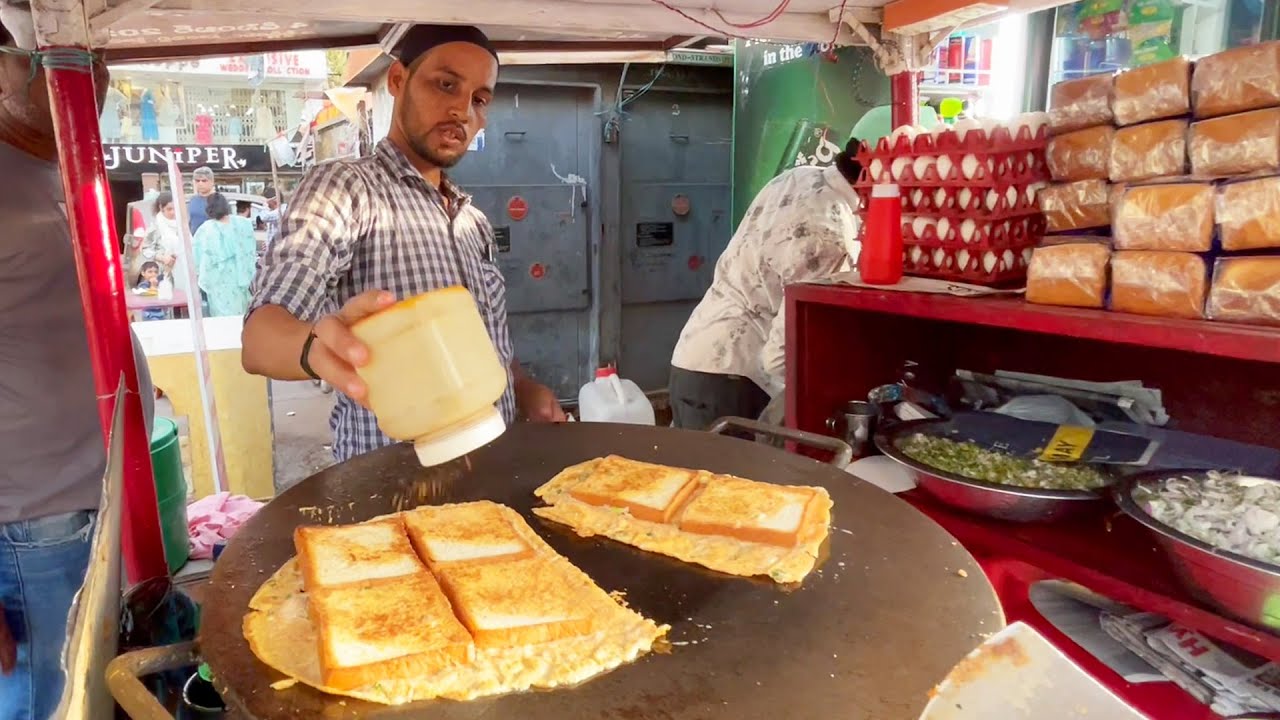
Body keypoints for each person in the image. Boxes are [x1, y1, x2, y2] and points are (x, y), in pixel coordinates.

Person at [241, 24, 564, 463]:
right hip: (395, 481)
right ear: (397, 80)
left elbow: (487, 343)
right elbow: (259, 341)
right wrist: (313, 348)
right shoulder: (344, 189)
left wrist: (522, 388)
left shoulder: (473, 220)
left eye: (480, 99)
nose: (462, 111)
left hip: (495, 461)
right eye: (446, 84)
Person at [0, 8, 154, 719]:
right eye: (66, 61)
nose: (96, 80)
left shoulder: (62, 168)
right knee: (50, 702)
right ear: (8, 69)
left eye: (99, 63)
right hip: (33, 521)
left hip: (98, 493)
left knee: (92, 694)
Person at [668, 143, 863, 431]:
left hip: (692, 356)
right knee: (726, 477)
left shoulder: (799, 176)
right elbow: (777, 358)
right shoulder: (830, 236)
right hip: (734, 382)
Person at [192, 192, 255, 317]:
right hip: (240, 277)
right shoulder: (243, 224)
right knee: (241, 313)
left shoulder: (206, 229)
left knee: (221, 315)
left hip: (217, 279)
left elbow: (197, 257)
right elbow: (250, 248)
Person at [143, 190, 189, 296]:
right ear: (161, 208)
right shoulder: (155, 227)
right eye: (169, 209)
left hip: (185, 271)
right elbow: (146, 249)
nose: (173, 212)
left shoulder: (182, 223)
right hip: (165, 273)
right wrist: (163, 258)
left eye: (175, 209)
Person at [185, 165, 215, 233]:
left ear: (212, 182)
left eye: (204, 181)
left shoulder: (218, 200)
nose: (200, 183)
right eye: (197, 181)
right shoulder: (192, 200)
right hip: (194, 240)